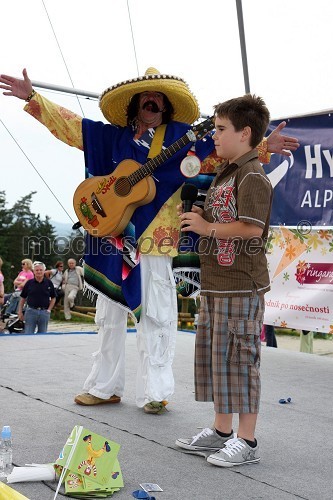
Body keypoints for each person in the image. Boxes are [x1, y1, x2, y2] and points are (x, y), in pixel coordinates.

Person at [0, 68, 299, 414]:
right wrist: (33, 99)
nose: (152, 101)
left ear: (167, 106)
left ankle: (155, 391)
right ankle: (104, 386)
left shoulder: (183, 138)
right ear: (135, 105)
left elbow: (223, 151)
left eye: (159, 98)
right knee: (107, 318)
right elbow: (71, 126)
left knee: (156, 317)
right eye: (146, 97)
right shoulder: (112, 138)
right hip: (111, 237)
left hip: (157, 240)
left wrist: (263, 147)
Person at [175, 94, 273, 466]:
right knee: (219, 361)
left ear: (244, 132)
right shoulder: (227, 172)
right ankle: (220, 432)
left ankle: (246, 442)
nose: (213, 136)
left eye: (220, 129)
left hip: (241, 285)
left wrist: (207, 226)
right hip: (217, 283)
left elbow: (251, 228)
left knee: (241, 359)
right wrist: (202, 213)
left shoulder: (252, 175)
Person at [18, 261, 56, 334]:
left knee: (42, 335)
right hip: (31, 312)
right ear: (33, 271)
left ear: (44, 271)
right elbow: (23, 298)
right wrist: (20, 311)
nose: (39, 272)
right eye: (37, 270)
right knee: (28, 334)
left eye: (41, 270)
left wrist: (49, 310)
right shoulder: (29, 283)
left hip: (44, 312)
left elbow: (53, 298)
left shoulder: (49, 283)